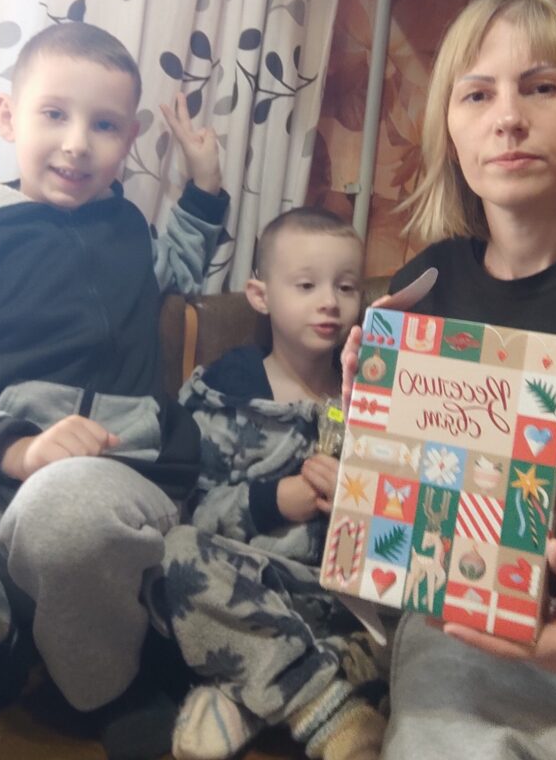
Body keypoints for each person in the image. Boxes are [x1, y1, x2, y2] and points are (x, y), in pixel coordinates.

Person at [341, 0, 556, 759]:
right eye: (478, 94)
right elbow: (398, 534)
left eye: (542, 86)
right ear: (449, 127)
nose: (509, 118)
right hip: (470, 627)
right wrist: (366, 428)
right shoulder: (423, 292)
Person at [0, 21, 229, 759]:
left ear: (130, 138)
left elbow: (174, 271)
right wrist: (16, 448)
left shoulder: (124, 226)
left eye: (104, 125)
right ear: (8, 115)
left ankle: (111, 684)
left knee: (64, 509)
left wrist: (204, 184)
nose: (78, 144)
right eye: (54, 114)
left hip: (117, 478)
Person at [147, 208, 389, 760]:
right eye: (306, 286)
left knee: (418, 623)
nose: (329, 302)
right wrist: (273, 500)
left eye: (346, 287)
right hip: (245, 591)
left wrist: (356, 495)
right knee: (174, 553)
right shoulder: (221, 396)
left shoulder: (376, 402)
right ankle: (329, 711)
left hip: (340, 600)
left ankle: (244, 696)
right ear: (260, 295)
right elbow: (189, 510)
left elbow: (403, 521)